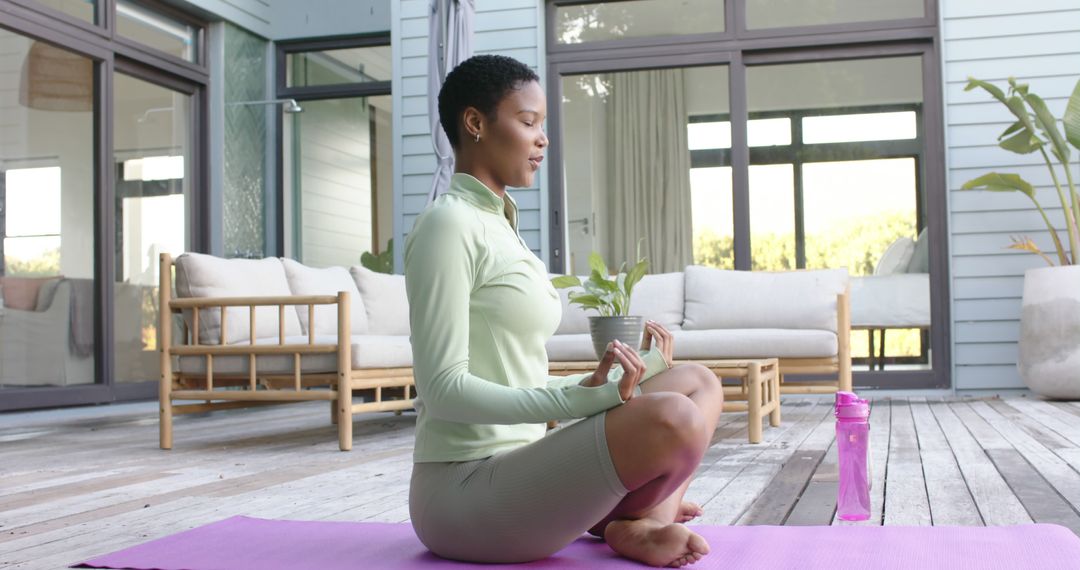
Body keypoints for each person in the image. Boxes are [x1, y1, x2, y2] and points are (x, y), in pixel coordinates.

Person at [405, 54, 724, 568]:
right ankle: (639, 520)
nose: (542, 138)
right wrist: (581, 402)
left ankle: (637, 522)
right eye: (528, 122)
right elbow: (442, 391)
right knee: (672, 418)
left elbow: (519, 379)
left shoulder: (503, 228)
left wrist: (602, 385)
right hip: (465, 493)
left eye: (542, 126)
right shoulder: (449, 226)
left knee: (696, 384)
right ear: (475, 123)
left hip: (531, 465)